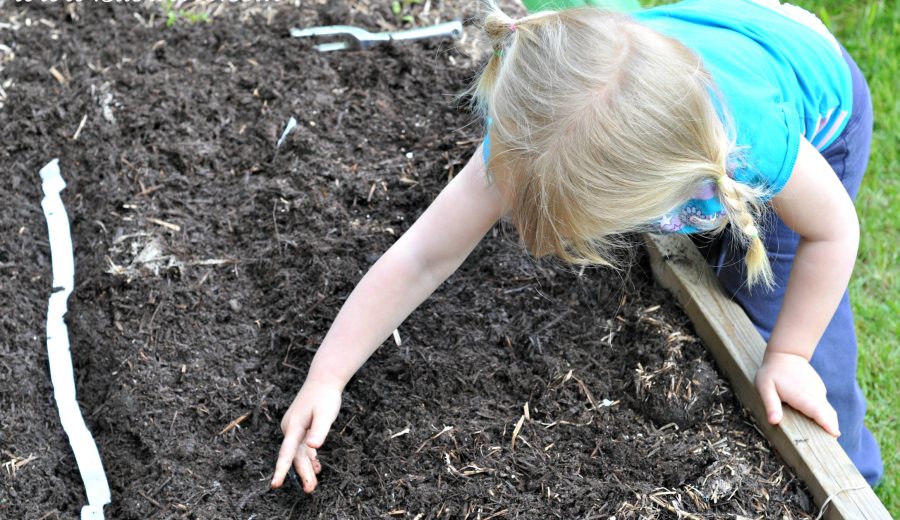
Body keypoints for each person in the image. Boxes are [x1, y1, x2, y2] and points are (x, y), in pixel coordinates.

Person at [270, 0, 883, 493]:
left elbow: (833, 232)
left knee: (770, 299)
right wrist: (326, 376)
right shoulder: (535, 132)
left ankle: (854, 472)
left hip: (817, 102)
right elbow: (421, 255)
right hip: (706, 33)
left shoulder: (754, 147)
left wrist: (790, 356)